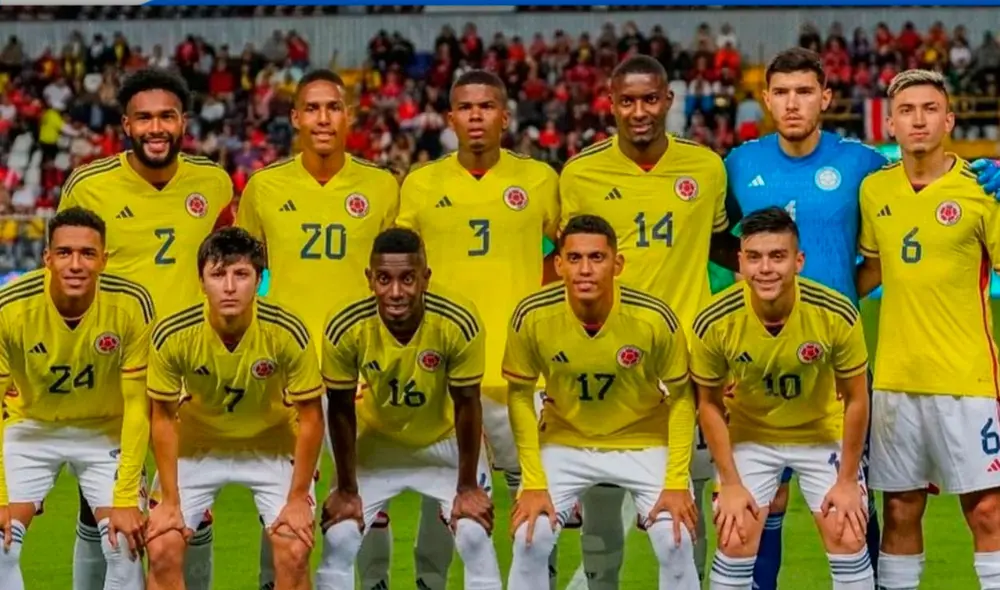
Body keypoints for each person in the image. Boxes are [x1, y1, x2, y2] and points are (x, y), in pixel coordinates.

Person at [725, 48, 1000, 590]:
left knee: (878, 504)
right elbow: (723, 241)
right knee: (765, 500)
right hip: (772, 359)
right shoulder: (740, 164)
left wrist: (993, 174)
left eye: (805, 91)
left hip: (859, 366)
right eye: (781, 91)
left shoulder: (871, 168)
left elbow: (871, 266)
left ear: (826, 98)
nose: (793, 102)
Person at [558, 54, 737, 587]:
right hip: (606, 359)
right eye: (628, 101)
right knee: (602, 499)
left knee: (690, 495)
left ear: (668, 101)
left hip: (686, 361)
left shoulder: (706, 168)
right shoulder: (581, 172)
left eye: (650, 99)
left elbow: (724, 244)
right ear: (611, 104)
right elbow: (573, 266)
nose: (640, 111)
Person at [234, 68, 412, 589]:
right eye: (311, 108)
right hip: (288, 374)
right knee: (285, 497)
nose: (323, 118)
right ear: (295, 118)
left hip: (363, 372)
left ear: (349, 114)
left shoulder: (382, 187)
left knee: (369, 498)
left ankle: (374, 581)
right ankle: (274, 582)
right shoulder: (265, 188)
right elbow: (243, 277)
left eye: (333, 107)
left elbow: (397, 280)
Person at [57, 68, 234, 590]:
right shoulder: (89, 186)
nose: (156, 128)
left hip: (192, 376)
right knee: (106, 512)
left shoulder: (213, 182)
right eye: (144, 118)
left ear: (183, 122)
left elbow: (225, 266)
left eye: (166, 116)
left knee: (193, 515)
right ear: (125, 125)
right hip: (113, 372)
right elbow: (68, 276)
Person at [396, 69, 560, 589]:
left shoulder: (539, 180)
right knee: (442, 501)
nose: (475, 116)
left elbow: (565, 256)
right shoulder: (420, 184)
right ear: (449, 119)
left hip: (521, 374)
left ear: (505, 116)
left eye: (487, 106)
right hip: (447, 375)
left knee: (531, 494)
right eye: (465, 107)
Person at [856, 69, 1000, 590]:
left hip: (967, 379)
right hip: (895, 380)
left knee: (986, 511)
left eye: (930, 109)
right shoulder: (874, 191)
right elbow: (869, 270)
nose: (919, 119)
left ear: (949, 119)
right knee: (899, 509)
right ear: (891, 123)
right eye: (908, 111)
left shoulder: (983, 190)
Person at [504, 214, 700, 590]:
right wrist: (532, 480)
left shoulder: (652, 318)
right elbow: (519, 395)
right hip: (566, 441)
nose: (585, 269)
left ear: (617, 263)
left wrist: (676, 481)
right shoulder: (532, 315)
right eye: (574, 259)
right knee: (530, 537)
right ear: (558, 264)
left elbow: (681, 397)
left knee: (675, 539)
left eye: (597, 258)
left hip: (644, 439)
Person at [693, 206, 873, 590]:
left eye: (778, 256)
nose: (766, 268)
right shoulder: (714, 319)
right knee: (735, 532)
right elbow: (708, 403)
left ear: (799, 261)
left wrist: (846, 482)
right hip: (751, 436)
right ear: (740, 261)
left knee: (847, 531)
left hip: (821, 434)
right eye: (754, 257)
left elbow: (857, 398)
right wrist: (729, 482)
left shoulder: (836, 312)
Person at [316, 227, 502, 590]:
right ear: (370, 279)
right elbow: (339, 409)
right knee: (339, 537)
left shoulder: (458, 319)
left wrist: (466, 487)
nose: (396, 292)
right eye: (384, 279)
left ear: (426, 278)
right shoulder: (345, 323)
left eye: (408, 278)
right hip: (377, 441)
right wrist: (347, 489)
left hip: (444, 442)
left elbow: (467, 404)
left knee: (475, 534)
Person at [144, 227, 324, 590]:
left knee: (294, 549)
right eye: (218, 274)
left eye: (241, 274)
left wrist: (297, 498)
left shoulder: (288, 331)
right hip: (196, 448)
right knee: (161, 546)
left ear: (260, 280)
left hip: (272, 447)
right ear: (201, 280)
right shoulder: (173, 334)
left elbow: (310, 417)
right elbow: (162, 416)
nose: (229, 287)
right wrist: (170, 500)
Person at [0, 207, 152, 589]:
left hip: (105, 432)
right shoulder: (10, 307)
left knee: (125, 544)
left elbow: (138, 406)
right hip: (31, 428)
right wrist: (0, 494)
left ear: (104, 259)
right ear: (47, 258)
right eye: (64, 253)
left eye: (87, 253)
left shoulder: (131, 304)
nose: (75, 264)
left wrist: (125, 497)